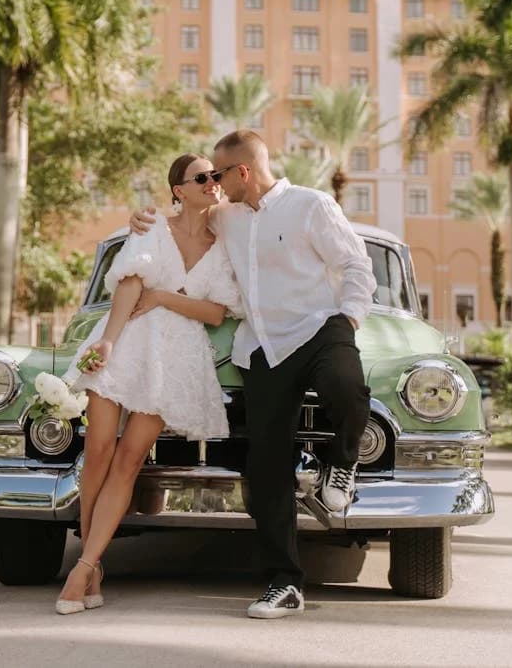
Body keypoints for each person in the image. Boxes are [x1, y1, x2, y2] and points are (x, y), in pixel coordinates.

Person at [129, 129, 376, 620]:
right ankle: (284, 582)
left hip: (320, 327)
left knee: (346, 387)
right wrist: (140, 218)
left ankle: (341, 463)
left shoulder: (312, 205)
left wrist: (347, 318)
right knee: (265, 467)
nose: (213, 183)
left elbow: (354, 264)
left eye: (218, 174)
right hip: (262, 346)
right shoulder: (226, 216)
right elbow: (181, 221)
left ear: (242, 171)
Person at [54, 153, 244, 615]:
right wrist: (110, 342)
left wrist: (162, 297)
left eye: (215, 175)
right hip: (129, 340)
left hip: (175, 356)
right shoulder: (153, 225)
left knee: (129, 459)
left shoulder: (225, 242)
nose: (212, 182)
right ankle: (90, 561)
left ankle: (87, 565)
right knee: (97, 449)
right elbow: (128, 283)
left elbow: (218, 311)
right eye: (202, 177)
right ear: (178, 188)